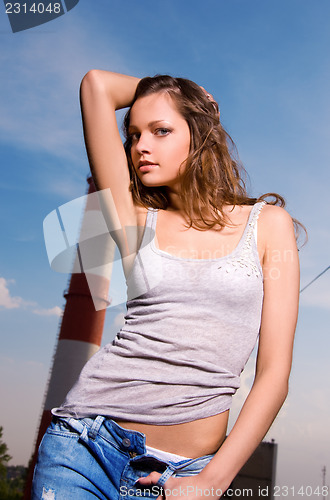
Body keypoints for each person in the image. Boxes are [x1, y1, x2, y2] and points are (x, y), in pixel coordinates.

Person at [32, 71, 301, 499]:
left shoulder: (268, 226)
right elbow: (96, 86)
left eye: (161, 130)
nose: (141, 145)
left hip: (189, 474)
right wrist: (181, 95)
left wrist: (212, 481)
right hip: (85, 451)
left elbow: (274, 374)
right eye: (135, 133)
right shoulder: (132, 216)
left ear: (200, 135)